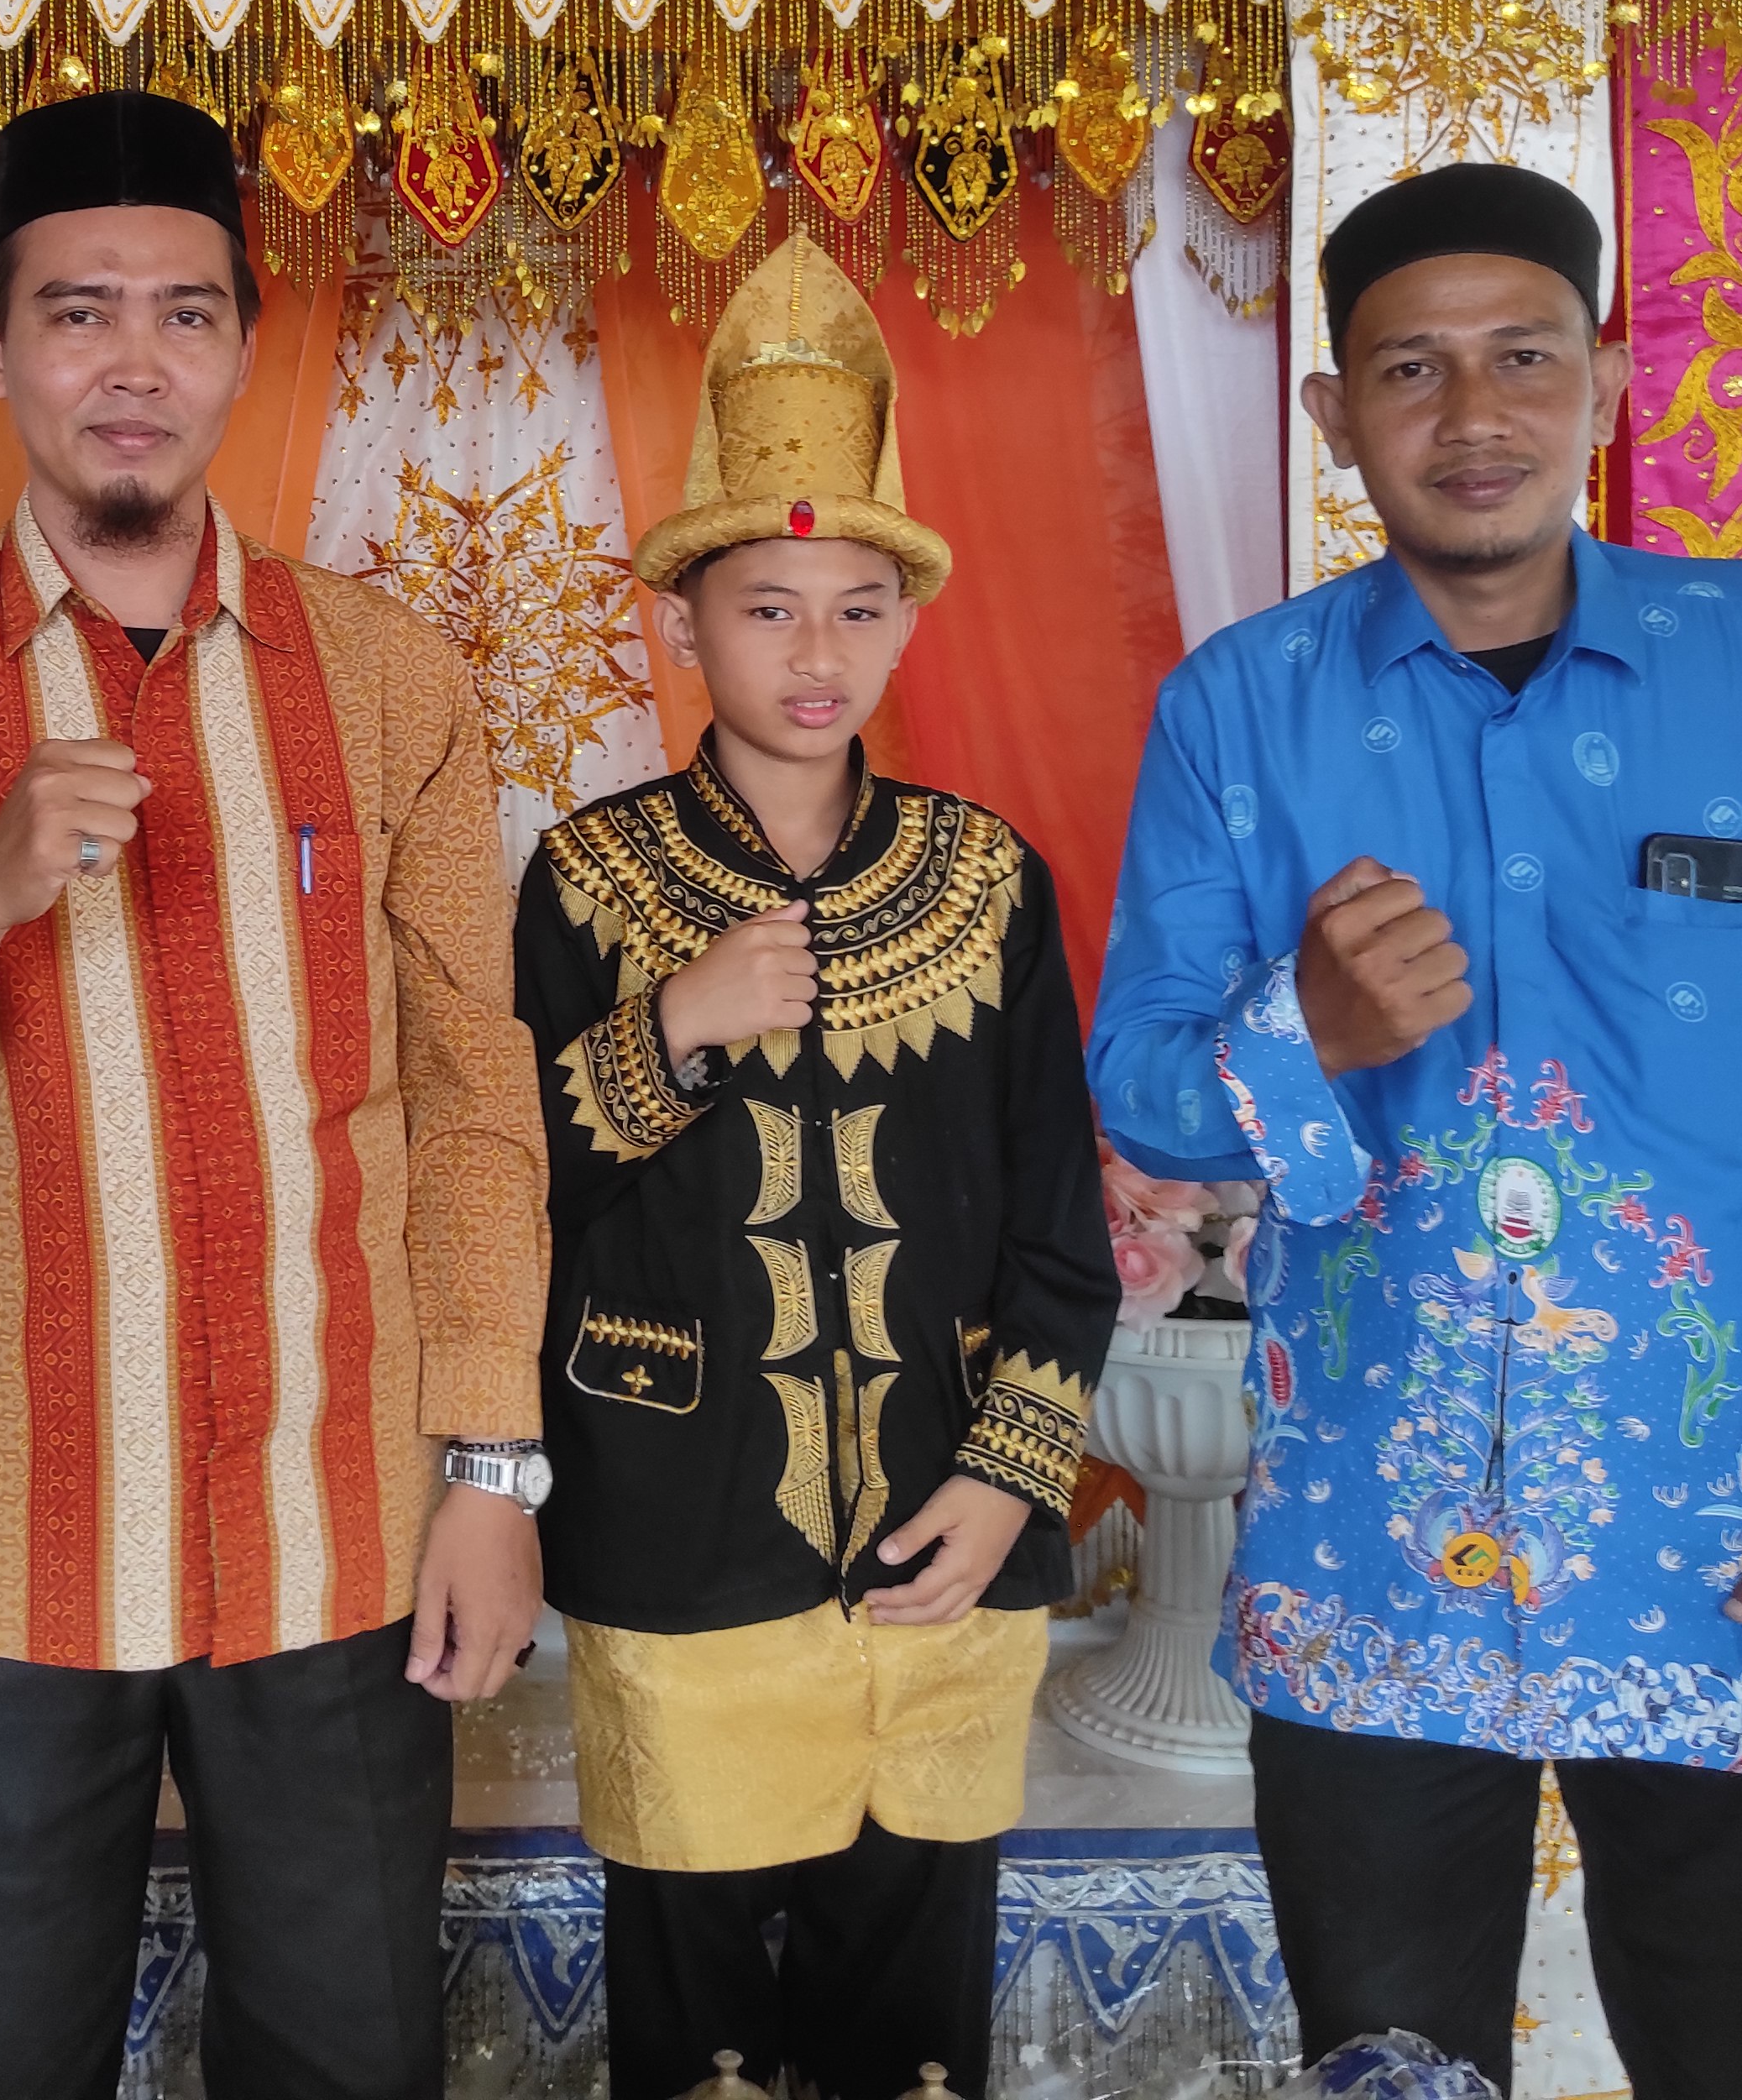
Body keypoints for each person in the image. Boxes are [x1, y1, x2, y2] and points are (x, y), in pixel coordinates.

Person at [1089, 167, 1742, 2100]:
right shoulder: (1238, 711)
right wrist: (1306, 1026)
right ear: (1332, 412)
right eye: (1409, 368)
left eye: (1522, 356)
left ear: (1604, 379)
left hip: (1735, 1538)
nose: (1472, 413)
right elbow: (1142, 1089)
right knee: (1390, 2067)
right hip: (1368, 1556)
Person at [0, 89, 551, 2100]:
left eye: (183, 311)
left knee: (349, 2067)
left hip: (334, 1537)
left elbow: (473, 1098)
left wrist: (494, 1473)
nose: (132, 362)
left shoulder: (392, 679)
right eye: (76, 311)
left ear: (244, 343)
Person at [513, 236, 1117, 2100]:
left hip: (947, 1521)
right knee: (691, 2025)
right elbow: (507, 1189)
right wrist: (674, 1026)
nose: (816, 652)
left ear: (908, 627)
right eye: (768, 607)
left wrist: (1013, 1482)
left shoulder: (987, 878)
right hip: (671, 1516)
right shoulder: (587, 876)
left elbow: (1058, 1224)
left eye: (859, 608)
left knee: (910, 2030)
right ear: (686, 623)